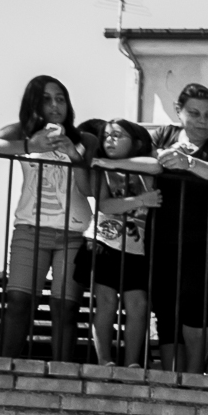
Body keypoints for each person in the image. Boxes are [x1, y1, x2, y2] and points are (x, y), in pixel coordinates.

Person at [0, 75, 96, 362]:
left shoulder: (85, 139)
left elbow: (89, 188)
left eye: (60, 98)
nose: (55, 105)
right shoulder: (22, 132)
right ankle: (4, 369)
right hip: (29, 229)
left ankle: (63, 376)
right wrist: (30, 144)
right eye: (46, 98)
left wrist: (72, 153)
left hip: (74, 234)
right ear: (33, 103)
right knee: (19, 301)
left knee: (65, 306)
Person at [137, 84, 208, 374]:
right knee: (165, 308)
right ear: (178, 111)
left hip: (206, 240)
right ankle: (173, 376)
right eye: (194, 113)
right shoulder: (163, 135)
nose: (202, 120)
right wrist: (163, 155)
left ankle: (195, 377)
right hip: (161, 238)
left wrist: (188, 161)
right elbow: (142, 163)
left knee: (195, 303)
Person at [76, 119, 158, 368]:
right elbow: (105, 205)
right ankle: (105, 361)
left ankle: (132, 363)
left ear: (136, 143)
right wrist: (140, 200)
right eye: (106, 136)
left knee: (138, 305)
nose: (109, 140)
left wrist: (111, 163)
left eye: (117, 135)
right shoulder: (100, 170)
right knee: (106, 301)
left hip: (136, 248)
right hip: (104, 242)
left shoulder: (143, 165)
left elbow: (155, 166)